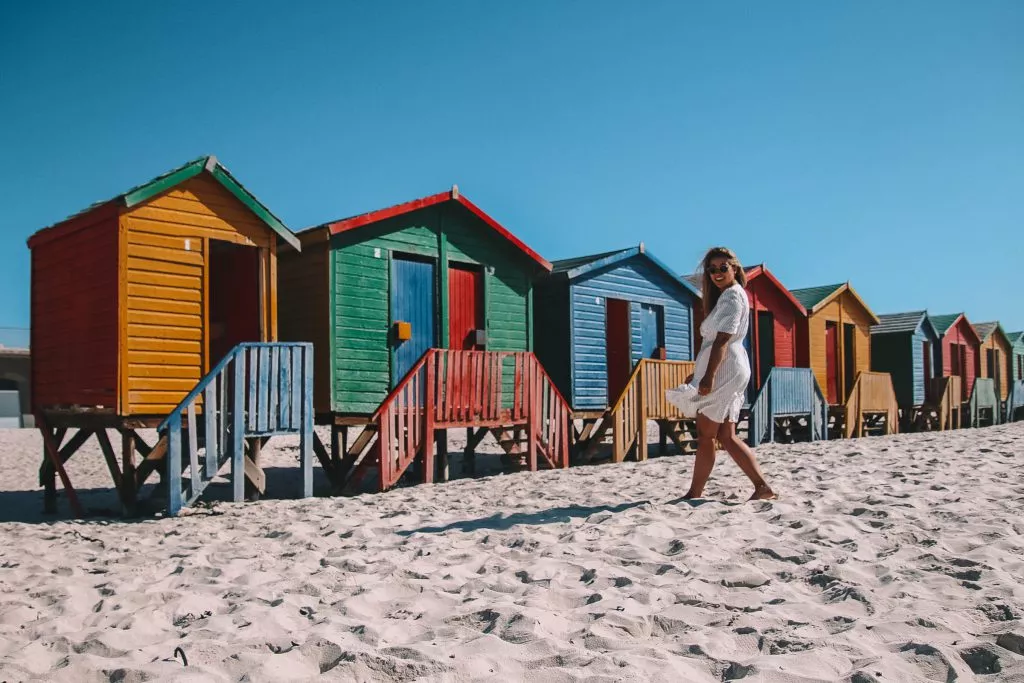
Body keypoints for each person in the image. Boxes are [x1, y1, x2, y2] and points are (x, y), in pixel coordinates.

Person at [666, 247, 777, 501]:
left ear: (735, 269)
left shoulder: (732, 297)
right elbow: (715, 344)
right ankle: (762, 487)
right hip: (730, 367)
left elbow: (721, 341)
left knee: (706, 434)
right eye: (712, 269)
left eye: (723, 268)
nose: (717, 273)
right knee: (726, 435)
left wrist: (708, 377)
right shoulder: (730, 295)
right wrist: (698, 374)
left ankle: (694, 493)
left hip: (725, 369)